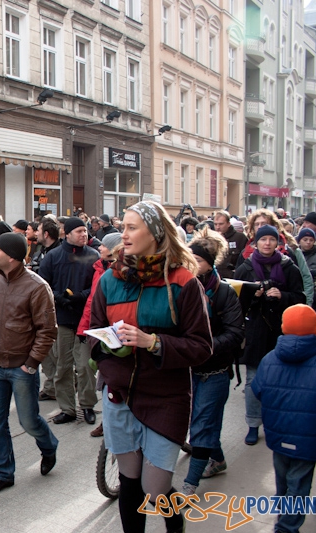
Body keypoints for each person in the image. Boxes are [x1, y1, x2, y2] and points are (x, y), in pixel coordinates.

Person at [88, 201, 212, 533]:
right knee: (130, 484)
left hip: (166, 397)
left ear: (155, 233)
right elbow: (93, 331)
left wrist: (152, 342)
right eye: (122, 227)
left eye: (131, 228)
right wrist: (107, 346)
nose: (122, 235)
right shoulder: (109, 280)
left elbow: (201, 347)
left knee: (155, 490)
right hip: (121, 396)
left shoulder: (184, 282)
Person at [251, 304, 316, 532]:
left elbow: (258, 390)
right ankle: (287, 527)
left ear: (283, 327)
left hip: (277, 433)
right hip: (309, 437)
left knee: (282, 481)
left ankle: (283, 520)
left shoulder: (269, 359)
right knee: (299, 484)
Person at [0, 232, 59, 494]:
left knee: (28, 421)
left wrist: (31, 363)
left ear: (12, 257)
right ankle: (3, 473)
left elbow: (47, 330)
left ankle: (48, 446)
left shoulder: (37, 287)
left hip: (21, 368)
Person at [181, 230, 244, 496]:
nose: (192, 263)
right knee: (203, 421)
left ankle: (190, 483)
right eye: (189, 258)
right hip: (186, 369)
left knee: (202, 426)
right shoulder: (181, 286)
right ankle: (217, 459)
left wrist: (204, 347)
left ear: (210, 262)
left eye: (197, 259)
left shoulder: (224, 293)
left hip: (214, 370)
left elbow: (235, 333)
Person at [234, 224, 306, 446]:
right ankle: (253, 424)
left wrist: (282, 295)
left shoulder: (288, 267)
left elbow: (300, 298)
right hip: (255, 330)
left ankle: (278, 421)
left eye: (271, 240)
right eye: (263, 240)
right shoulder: (245, 268)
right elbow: (235, 304)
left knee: (282, 379)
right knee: (253, 380)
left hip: (280, 331)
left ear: (278, 243)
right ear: (255, 243)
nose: (267, 243)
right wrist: (253, 295)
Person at [39, 217, 99, 425]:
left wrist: (81, 295)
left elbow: (98, 285)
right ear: (68, 234)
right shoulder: (52, 257)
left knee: (85, 367)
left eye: (86, 231)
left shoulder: (93, 256)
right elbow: (43, 285)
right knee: (63, 366)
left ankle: (88, 405)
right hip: (62, 319)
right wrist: (59, 297)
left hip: (85, 320)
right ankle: (67, 408)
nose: (85, 235)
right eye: (80, 231)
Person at [76, 232, 123, 438]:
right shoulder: (98, 268)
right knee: (103, 377)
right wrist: (84, 329)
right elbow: (92, 304)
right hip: (99, 329)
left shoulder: (115, 272)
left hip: (117, 332)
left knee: (114, 377)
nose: (100, 248)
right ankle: (108, 420)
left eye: (104, 246)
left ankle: (112, 420)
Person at [213, 211, 247, 279]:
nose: (218, 227)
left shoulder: (240, 238)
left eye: (221, 224)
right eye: (215, 224)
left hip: (233, 278)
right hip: (216, 278)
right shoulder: (211, 238)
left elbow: (246, 258)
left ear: (228, 224)